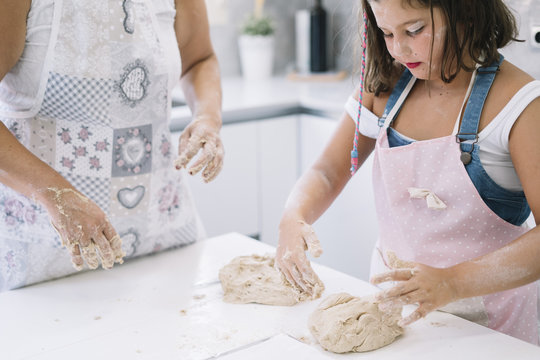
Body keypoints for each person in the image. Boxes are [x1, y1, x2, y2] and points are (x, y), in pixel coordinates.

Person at [276, 0, 540, 345]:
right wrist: (293, 215)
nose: (399, 49)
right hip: (395, 314)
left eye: (414, 30)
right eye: (386, 32)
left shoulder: (519, 106)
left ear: (468, 12)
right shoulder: (384, 86)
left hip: (491, 325)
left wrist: (452, 282)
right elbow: (328, 171)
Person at [0, 0, 224, 291]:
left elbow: (199, 59)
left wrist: (207, 117)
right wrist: (54, 193)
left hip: (164, 242)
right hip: (40, 264)